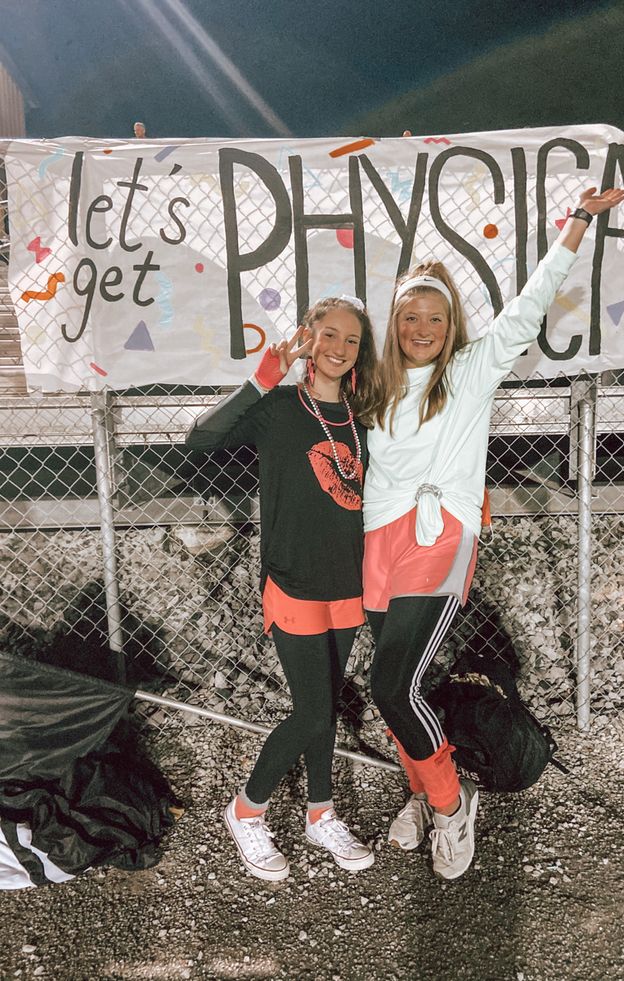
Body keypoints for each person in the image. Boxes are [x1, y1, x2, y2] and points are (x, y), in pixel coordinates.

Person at [363, 185, 624, 880]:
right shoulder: (377, 383)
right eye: (410, 316)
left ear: (450, 327)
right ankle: (421, 791)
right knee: (398, 683)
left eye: (434, 318)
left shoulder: (470, 372)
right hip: (377, 547)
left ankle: (452, 807)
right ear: (396, 323)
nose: (422, 327)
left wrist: (575, 225)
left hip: (439, 535)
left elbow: (528, 309)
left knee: (392, 684)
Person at [185, 295, 380, 881]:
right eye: (329, 335)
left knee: (325, 702)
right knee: (314, 711)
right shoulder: (278, 408)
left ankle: (320, 812)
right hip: (294, 583)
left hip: (349, 582)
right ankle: (247, 809)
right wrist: (257, 379)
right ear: (307, 338)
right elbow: (200, 439)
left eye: (352, 340)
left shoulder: (363, 419)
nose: (340, 348)